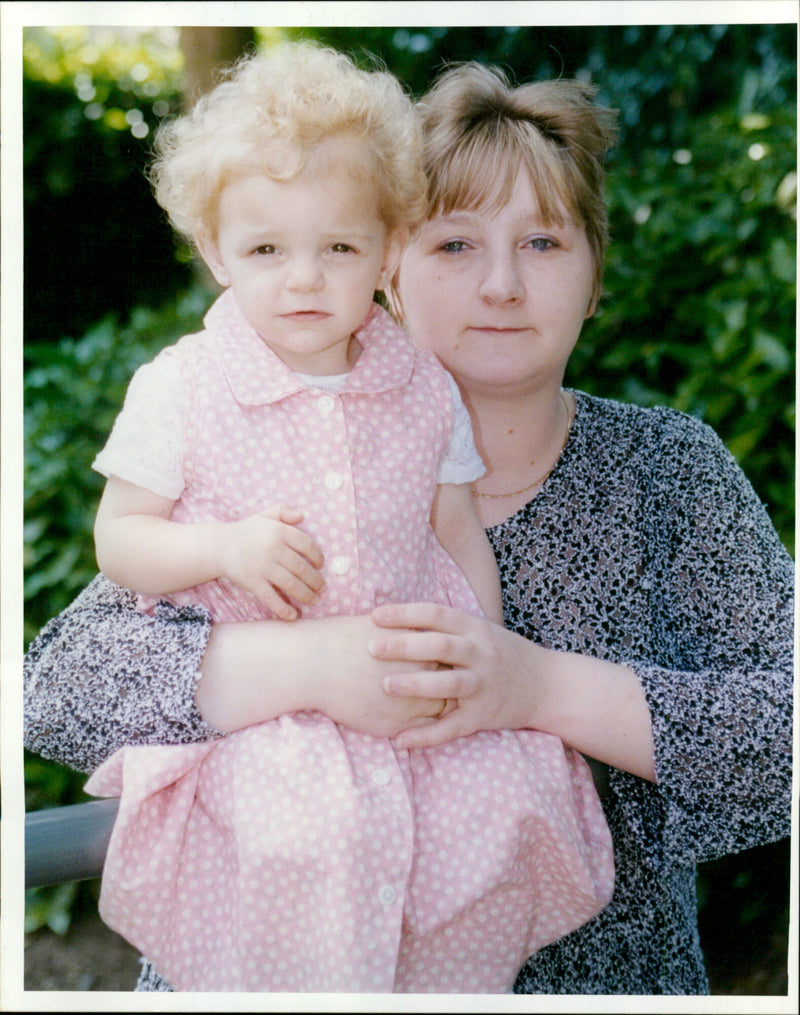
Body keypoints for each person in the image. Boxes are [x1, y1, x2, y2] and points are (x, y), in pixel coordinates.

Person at [24, 58, 793, 996]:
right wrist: (314, 666)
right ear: (392, 269)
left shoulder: (668, 471)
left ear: (597, 277)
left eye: (545, 243)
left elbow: (784, 728)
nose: (503, 284)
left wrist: (536, 685)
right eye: (456, 245)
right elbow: (61, 690)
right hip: (269, 960)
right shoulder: (248, 427)